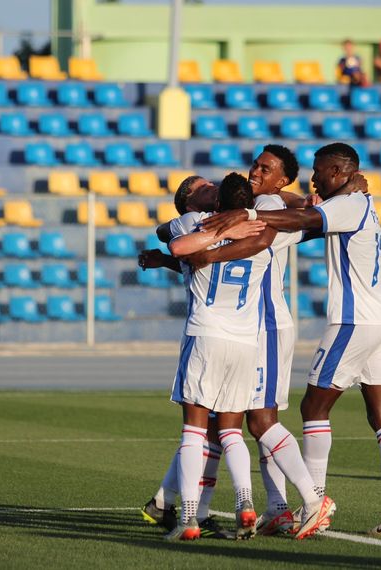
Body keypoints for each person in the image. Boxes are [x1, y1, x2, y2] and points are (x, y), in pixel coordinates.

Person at [202, 143, 381, 537]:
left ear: (338, 170)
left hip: (353, 321)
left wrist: (248, 212)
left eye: (319, 171)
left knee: (313, 409)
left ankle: (312, 504)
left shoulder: (348, 204)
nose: (314, 179)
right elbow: (302, 206)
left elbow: (301, 217)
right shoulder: (357, 201)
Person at [161, 173, 270, 541]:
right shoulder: (262, 232)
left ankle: (189, 518)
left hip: (206, 334)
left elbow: (179, 247)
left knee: (193, 430)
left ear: (219, 202)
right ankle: (245, 503)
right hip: (245, 342)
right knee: (231, 431)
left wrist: (222, 231)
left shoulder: (196, 222)